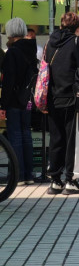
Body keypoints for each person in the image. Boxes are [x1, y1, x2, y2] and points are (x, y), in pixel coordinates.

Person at [45, 12, 79, 195]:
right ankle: (71, 181)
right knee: (73, 140)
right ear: (78, 27)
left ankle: (55, 180)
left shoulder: (50, 43)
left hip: (52, 97)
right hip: (73, 98)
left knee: (56, 139)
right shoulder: (77, 42)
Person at [0, 18, 37, 185]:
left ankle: (19, 175)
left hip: (14, 100)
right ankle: (29, 173)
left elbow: (9, 81)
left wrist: (3, 104)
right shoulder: (32, 49)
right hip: (28, 99)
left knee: (15, 137)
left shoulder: (12, 53)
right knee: (26, 135)